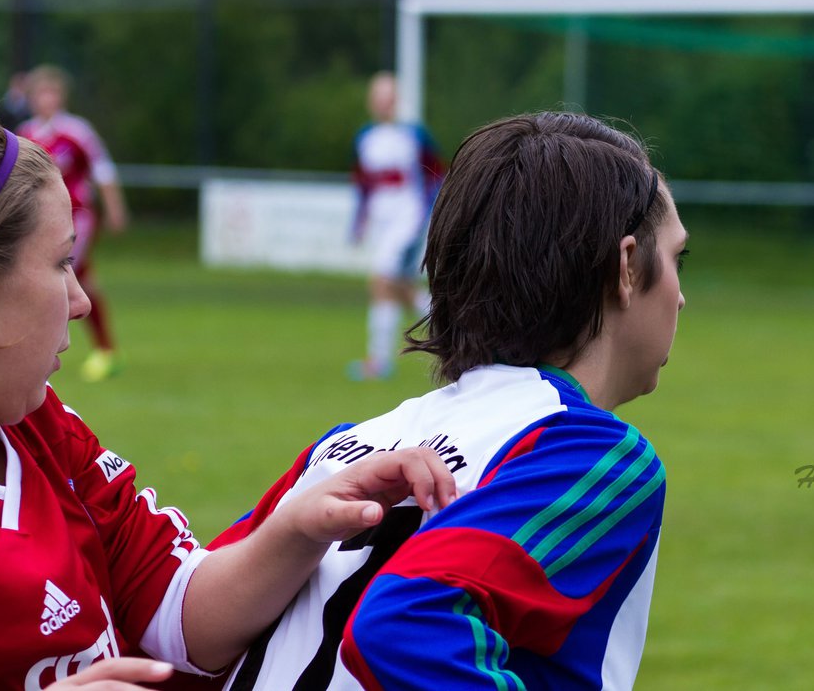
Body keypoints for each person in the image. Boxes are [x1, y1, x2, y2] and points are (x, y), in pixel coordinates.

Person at [0, 92, 457, 690]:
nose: (81, 300)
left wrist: (298, 528)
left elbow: (174, 608)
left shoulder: (40, 427)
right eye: (62, 263)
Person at [210, 111, 687, 689]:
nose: (681, 298)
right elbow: (406, 624)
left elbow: (186, 617)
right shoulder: (586, 452)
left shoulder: (340, 451)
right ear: (627, 268)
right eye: (677, 260)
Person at [16, 65, 128, 382]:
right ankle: (106, 350)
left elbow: (103, 171)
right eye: (41, 93)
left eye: (52, 92)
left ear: (61, 96)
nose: (46, 99)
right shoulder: (27, 134)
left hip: (77, 217)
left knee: (63, 274)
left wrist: (115, 208)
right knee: (79, 278)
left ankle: (90, 351)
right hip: (39, 220)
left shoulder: (77, 131)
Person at [347, 71, 446, 381]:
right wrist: (359, 221)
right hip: (382, 220)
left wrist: (427, 214)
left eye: (388, 97)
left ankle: (379, 361)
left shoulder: (414, 134)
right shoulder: (365, 137)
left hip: (408, 218)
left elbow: (437, 173)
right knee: (398, 287)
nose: (383, 103)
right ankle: (451, 331)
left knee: (380, 281)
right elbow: (364, 183)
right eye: (378, 97)